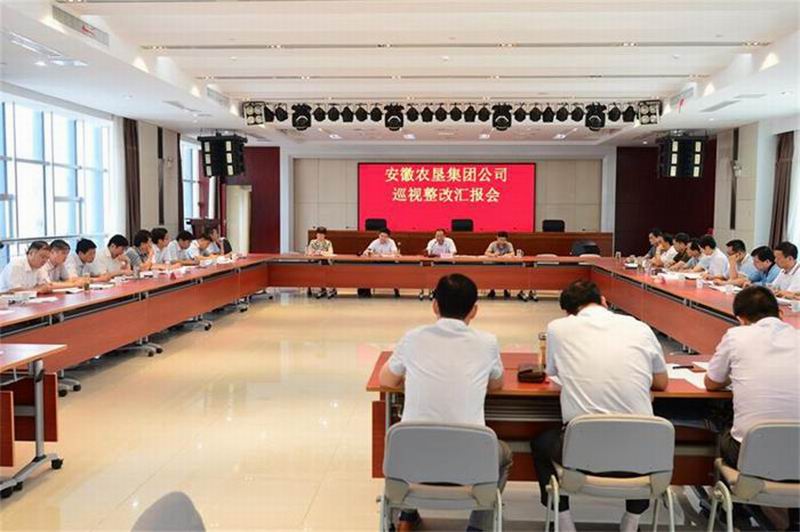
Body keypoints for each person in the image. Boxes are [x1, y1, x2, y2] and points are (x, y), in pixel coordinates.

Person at [531, 280, 668, 532]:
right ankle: (631, 522)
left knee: (541, 443)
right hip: (640, 455)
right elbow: (661, 382)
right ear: (603, 301)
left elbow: (553, 373)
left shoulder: (558, 328)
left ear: (568, 313)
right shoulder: (640, 327)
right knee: (645, 443)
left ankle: (563, 523)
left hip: (580, 455)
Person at [378, 274, 511, 532]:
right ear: (474, 310)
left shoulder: (413, 338)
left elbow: (386, 380)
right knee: (504, 454)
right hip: (469, 460)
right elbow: (497, 385)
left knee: (409, 436)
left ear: (435, 306)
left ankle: (406, 514)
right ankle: (477, 526)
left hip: (413, 458)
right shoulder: (487, 342)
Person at [705, 286, 800, 530]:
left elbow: (712, 382)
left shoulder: (736, 336)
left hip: (752, 452)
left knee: (721, 426)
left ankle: (732, 508)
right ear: (780, 313)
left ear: (741, 319)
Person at [420, 229, 457, 300]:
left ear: (444, 236)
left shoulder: (449, 241)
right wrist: (427, 253)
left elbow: (453, 253)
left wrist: (441, 256)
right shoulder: (432, 242)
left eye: (440, 236)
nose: (439, 238)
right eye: (437, 236)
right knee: (432, 273)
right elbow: (428, 252)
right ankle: (434, 291)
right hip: (435, 263)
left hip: (447, 263)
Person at [363, 228, 401, 297]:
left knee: (395, 270)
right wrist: (371, 253)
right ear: (379, 235)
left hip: (389, 263)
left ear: (388, 237)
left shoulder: (391, 242)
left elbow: (395, 253)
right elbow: (366, 252)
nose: (383, 238)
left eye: (385, 236)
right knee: (368, 269)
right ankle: (366, 292)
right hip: (377, 262)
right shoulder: (375, 242)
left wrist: (382, 255)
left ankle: (396, 290)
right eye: (381, 236)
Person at [306, 226, 336, 299]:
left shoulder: (328, 243)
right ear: (316, 234)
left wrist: (321, 252)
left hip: (326, 263)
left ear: (325, 235)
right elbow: (309, 253)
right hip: (314, 263)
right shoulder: (313, 242)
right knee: (320, 264)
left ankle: (325, 288)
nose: (320, 236)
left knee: (323, 263)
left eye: (322, 235)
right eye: (319, 234)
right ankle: (324, 288)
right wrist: (316, 253)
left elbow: (330, 252)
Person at [484, 231, 515, 300]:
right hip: (494, 264)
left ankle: (506, 290)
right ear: (497, 238)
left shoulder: (509, 244)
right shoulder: (493, 244)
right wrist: (493, 255)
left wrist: (507, 255)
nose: (502, 242)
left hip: (505, 264)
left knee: (506, 275)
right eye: (500, 240)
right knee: (493, 275)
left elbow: (513, 253)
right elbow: (486, 253)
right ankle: (492, 291)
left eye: (504, 240)